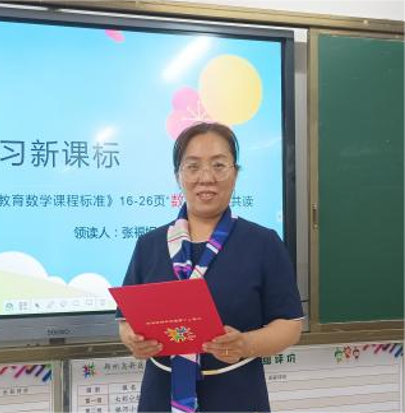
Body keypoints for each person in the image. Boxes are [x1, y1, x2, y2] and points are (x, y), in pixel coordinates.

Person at [117, 122, 303, 412]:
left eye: (218, 165)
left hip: (236, 394)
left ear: (235, 173)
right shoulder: (149, 245)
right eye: (193, 167)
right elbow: (125, 320)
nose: (206, 178)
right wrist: (133, 339)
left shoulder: (263, 243)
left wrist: (246, 344)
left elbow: (290, 325)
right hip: (161, 395)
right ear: (178, 176)